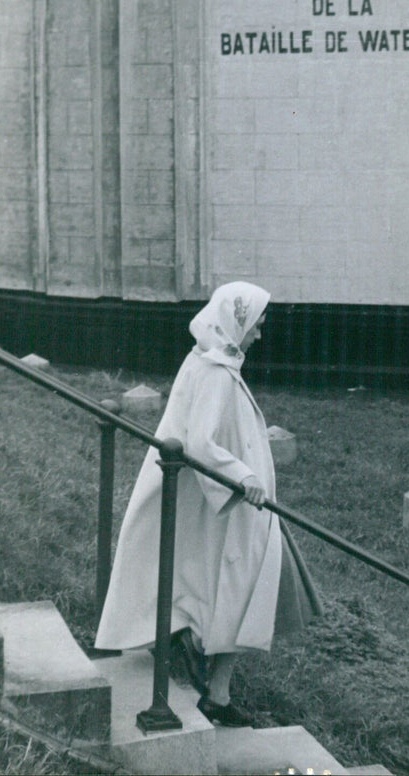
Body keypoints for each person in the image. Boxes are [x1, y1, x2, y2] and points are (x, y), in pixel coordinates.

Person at [95, 281, 322, 726]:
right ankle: (214, 691)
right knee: (244, 588)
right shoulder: (216, 371)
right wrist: (244, 475)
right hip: (236, 504)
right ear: (238, 322)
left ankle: (205, 671)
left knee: (228, 587)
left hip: (222, 501)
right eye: (256, 324)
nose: (259, 334)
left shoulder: (205, 357)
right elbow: (200, 440)